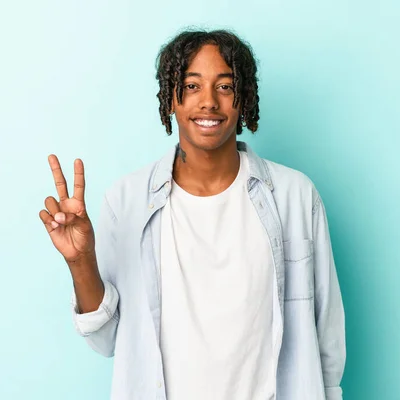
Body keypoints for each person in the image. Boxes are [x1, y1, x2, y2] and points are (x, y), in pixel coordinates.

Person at [39, 29, 345, 400]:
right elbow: (105, 341)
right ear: (171, 98)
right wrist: (81, 261)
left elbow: (327, 335)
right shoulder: (127, 200)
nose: (209, 102)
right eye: (192, 85)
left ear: (244, 98)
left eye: (226, 86)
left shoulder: (295, 196)